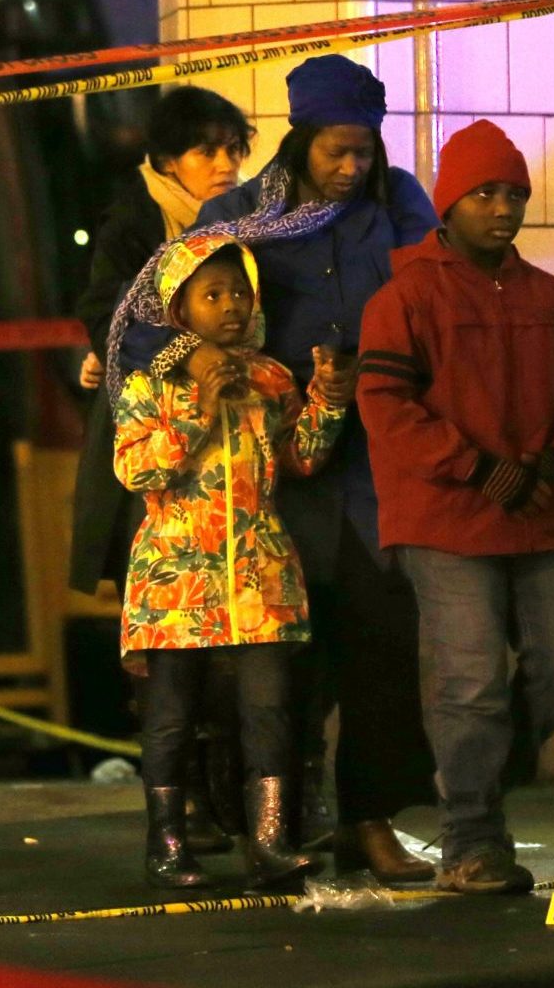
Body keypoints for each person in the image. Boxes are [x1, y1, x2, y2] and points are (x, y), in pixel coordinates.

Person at [106, 53, 442, 884]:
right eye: (335, 149)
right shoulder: (237, 214)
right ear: (298, 141)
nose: (350, 165)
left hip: (372, 460)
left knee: (380, 643)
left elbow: (438, 297)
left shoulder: (395, 205)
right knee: (280, 670)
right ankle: (272, 819)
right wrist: (203, 374)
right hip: (263, 480)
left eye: (364, 148)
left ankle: (369, 820)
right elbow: (157, 317)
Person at [357, 120, 554, 895]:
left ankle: (483, 783)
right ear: (448, 202)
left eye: (515, 193)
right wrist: (473, 466)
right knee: (469, 682)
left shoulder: (548, 295)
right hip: (445, 519)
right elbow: (385, 404)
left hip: (536, 511)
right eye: (486, 193)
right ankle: (469, 839)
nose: (504, 208)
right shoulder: (405, 296)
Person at [112, 232, 356, 889]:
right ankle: (166, 843)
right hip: (174, 581)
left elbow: (301, 458)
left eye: (239, 292)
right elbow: (136, 468)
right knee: (170, 719)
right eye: (212, 294)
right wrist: (196, 407)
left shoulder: (272, 379)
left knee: (271, 712)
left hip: (260, 576)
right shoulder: (149, 382)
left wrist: (329, 400)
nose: (230, 306)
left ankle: (271, 842)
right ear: (179, 310)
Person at [67, 85, 255, 850]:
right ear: (166, 158)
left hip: (233, 467)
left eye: (232, 149)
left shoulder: (244, 225)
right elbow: (112, 319)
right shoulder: (136, 224)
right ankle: (182, 814)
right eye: (206, 150)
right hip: (153, 464)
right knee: (167, 650)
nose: (222, 164)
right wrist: (190, 350)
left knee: (229, 649)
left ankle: (220, 805)